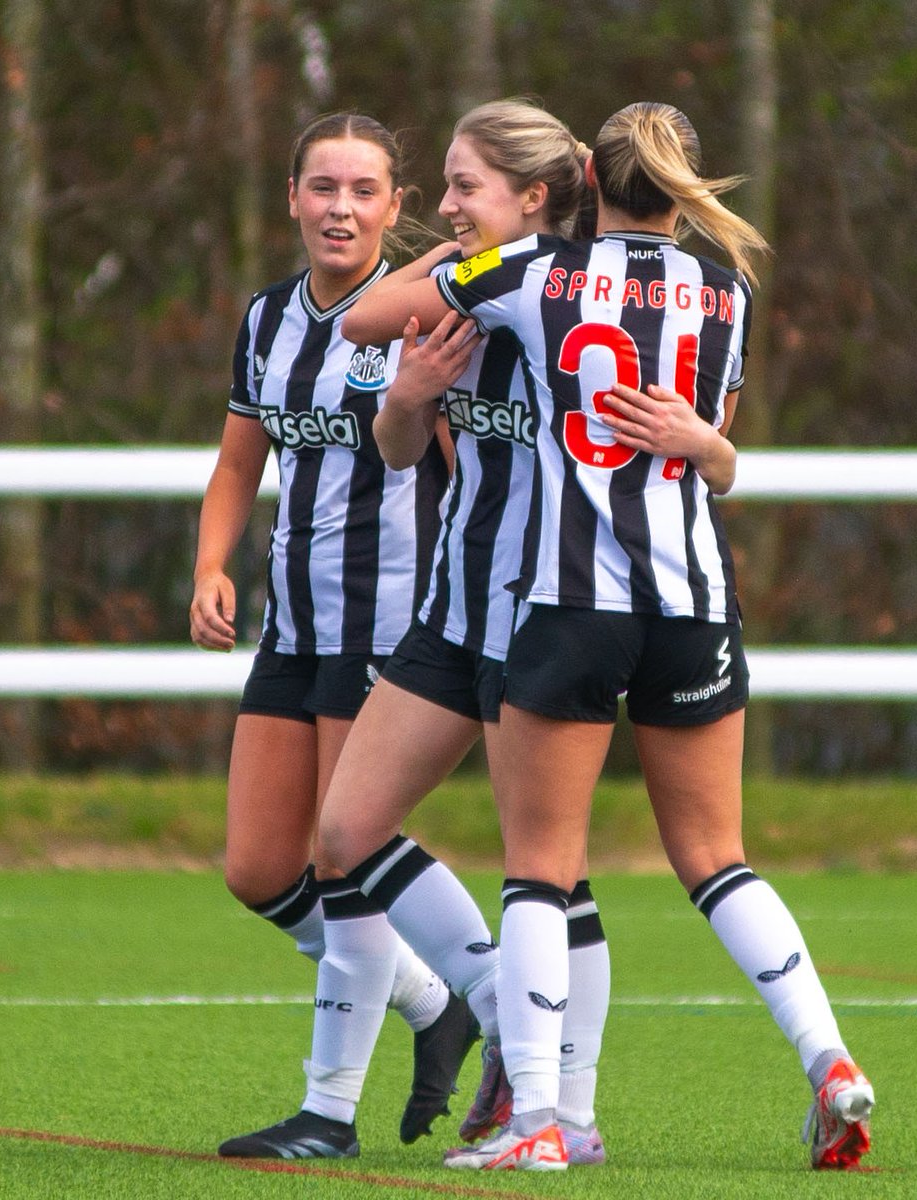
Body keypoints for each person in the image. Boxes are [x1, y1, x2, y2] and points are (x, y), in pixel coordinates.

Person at [334, 101, 875, 1172]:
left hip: (570, 599)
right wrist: (708, 450)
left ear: (578, 175)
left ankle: (541, 1115)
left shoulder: (528, 274)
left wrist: (457, 257)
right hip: (694, 604)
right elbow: (710, 447)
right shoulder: (728, 290)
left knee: (542, 869)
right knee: (718, 857)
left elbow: (361, 320)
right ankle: (829, 1057)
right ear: (683, 186)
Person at [188, 111, 478, 1160]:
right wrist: (210, 565)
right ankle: (439, 1002)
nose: (340, 208)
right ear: (293, 198)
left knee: (343, 856)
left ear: (399, 207)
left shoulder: (420, 317)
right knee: (261, 869)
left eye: (364, 190)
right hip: (294, 624)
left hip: (388, 626)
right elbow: (236, 463)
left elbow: (475, 468)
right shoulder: (267, 319)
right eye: (323, 187)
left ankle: (328, 1114)